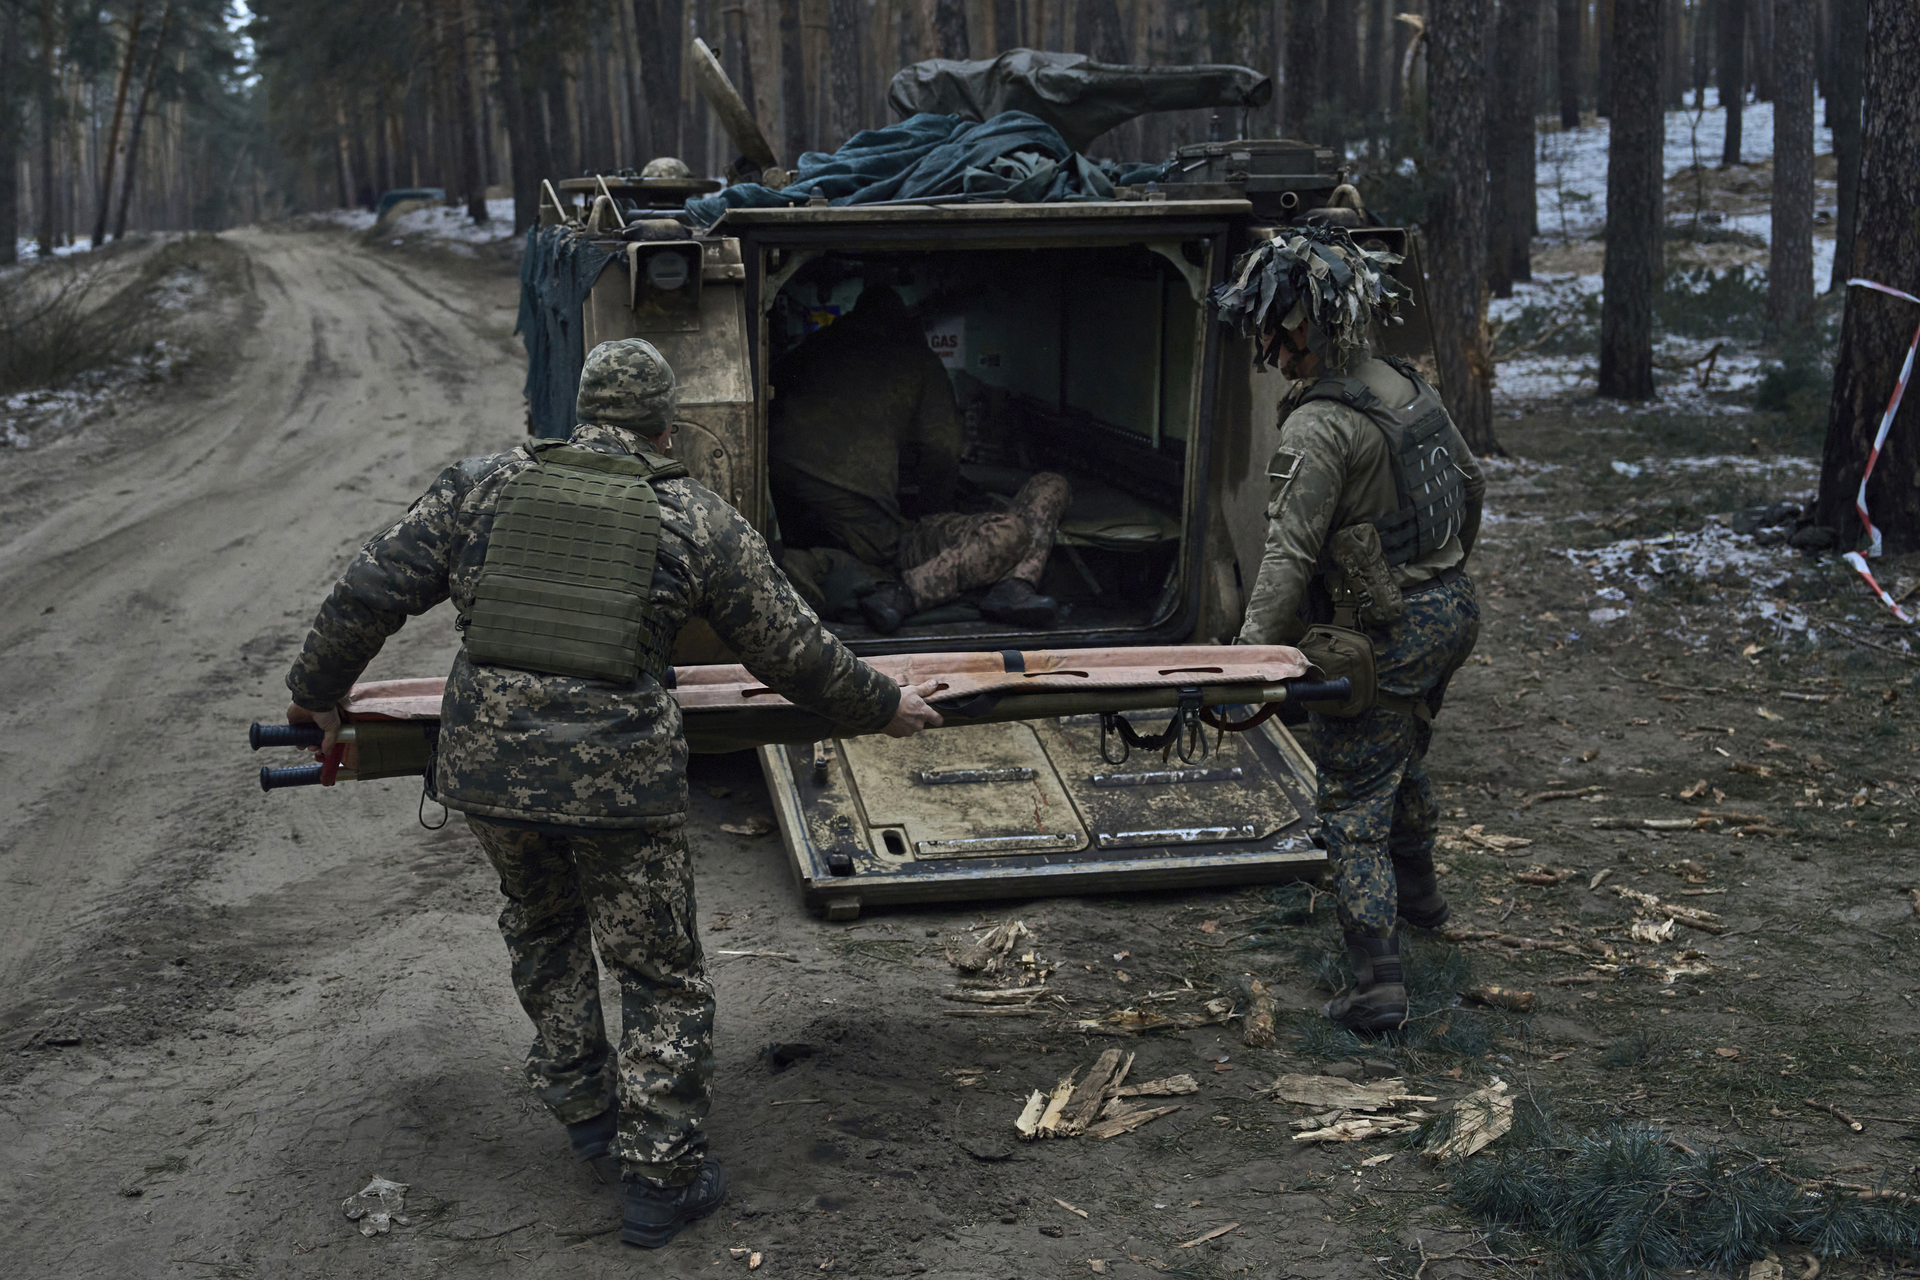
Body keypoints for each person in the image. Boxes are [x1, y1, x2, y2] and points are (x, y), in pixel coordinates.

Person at [281, 339, 943, 1247]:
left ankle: (586, 1112)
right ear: (666, 427)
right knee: (658, 971)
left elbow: (368, 591)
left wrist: (316, 693)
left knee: (543, 926)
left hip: (491, 773)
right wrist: (883, 705)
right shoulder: (695, 518)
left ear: (579, 412)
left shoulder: (480, 485)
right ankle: (661, 1180)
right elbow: (792, 651)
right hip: (619, 784)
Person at [1212, 226, 1485, 1033]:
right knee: (1400, 753)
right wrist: (1438, 568)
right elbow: (1469, 483)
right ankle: (1425, 900)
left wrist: (1244, 663)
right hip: (1453, 608)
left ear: (1308, 324)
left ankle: (1377, 983)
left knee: (1352, 799)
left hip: (1388, 630)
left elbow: (1287, 557)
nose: (1267, 346)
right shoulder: (1401, 383)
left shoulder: (1317, 428)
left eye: (1275, 328)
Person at [769, 283, 1072, 632]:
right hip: (874, 529)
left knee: (1046, 491)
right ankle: (908, 595)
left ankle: (1014, 586)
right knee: (1013, 528)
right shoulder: (914, 357)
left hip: (787, 498)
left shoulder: (812, 348)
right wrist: (935, 513)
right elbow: (942, 451)